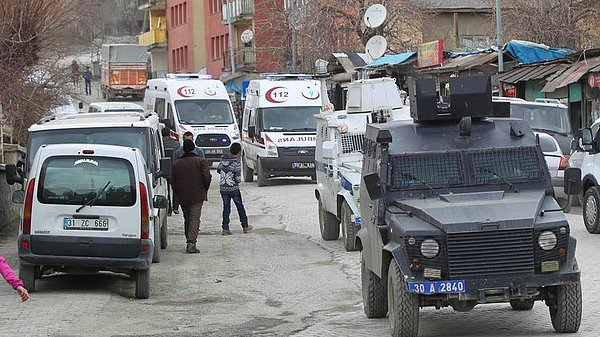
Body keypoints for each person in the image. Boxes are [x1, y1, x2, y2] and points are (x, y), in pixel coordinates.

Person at [171, 139, 211, 253]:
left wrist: (178, 192)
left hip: (183, 195)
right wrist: (204, 188)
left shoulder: (176, 163)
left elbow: (173, 182)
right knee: (195, 218)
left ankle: (188, 240)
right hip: (197, 195)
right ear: (194, 148)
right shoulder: (201, 161)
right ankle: (191, 242)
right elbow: (207, 177)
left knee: (187, 218)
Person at [217, 143, 252, 235]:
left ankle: (225, 228)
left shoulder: (223, 159)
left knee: (226, 207)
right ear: (239, 152)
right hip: (233, 189)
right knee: (240, 207)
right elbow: (238, 179)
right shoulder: (236, 162)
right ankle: (245, 226)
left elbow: (218, 170)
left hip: (223, 188)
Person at [172, 131, 204, 214]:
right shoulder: (178, 153)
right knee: (188, 215)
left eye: (190, 140)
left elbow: (204, 169)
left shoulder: (199, 152)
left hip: (196, 185)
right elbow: (174, 169)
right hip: (182, 185)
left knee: (194, 215)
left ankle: (192, 227)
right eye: (187, 141)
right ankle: (175, 206)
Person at [162, 127, 180, 216]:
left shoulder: (160, 143)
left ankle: (168, 208)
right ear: (169, 133)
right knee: (175, 188)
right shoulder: (176, 143)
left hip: (163, 168)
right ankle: (175, 207)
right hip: (175, 168)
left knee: (166, 189)